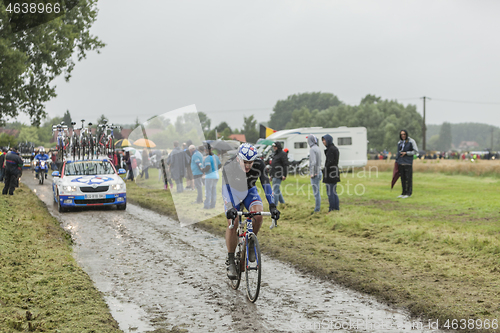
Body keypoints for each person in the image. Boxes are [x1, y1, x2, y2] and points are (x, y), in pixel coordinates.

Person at [222, 143, 280, 280]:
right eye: (245, 162)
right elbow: (225, 189)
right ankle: (231, 259)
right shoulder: (229, 166)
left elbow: (266, 184)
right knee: (233, 221)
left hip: (249, 192)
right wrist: (230, 207)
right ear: (238, 159)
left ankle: (251, 242)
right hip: (233, 194)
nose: (248, 166)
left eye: (251, 162)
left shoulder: (259, 165)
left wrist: (272, 205)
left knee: (258, 215)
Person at [396, 129, 418, 198]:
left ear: (406, 134)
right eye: (401, 134)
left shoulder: (411, 141)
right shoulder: (399, 142)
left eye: (404, 134)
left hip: (408, 162)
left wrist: (406, 153)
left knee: (408, 178)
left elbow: (415, 151)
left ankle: (408, 193)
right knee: (402, 178)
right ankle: (403, 192)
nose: (403, 136)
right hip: (401, 162)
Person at [322, 134, 340, 212]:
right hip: (334, 172)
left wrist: (324, 170)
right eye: (322, 140)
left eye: (324, 140)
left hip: (330, 173)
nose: (323, 142)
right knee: (334, 191)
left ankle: (332, 208)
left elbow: (329, 162)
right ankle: (336, 208)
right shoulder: (334, 149)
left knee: (330, 192)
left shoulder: (331, 150)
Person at [202, 142, 221, 209]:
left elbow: (207, 167)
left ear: (206, 149)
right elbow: (220, 165)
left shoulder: (207, 157)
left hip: (209, 177)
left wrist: (202, 170)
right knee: (213, 191)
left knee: (208, 191)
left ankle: (206, 206)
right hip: (216, 176)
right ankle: (213, 205)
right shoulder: (216, 156)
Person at [269, 142, 288, 207]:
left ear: (278, 147)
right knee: (277, 189)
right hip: (274, 174)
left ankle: (275, 205)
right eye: (273, 146)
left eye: (275, 146)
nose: (274, 148)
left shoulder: (283, 154)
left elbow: (285, 165)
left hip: (279, 175)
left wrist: (284, 174)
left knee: (275, 191)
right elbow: (273, 165)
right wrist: (271, 175)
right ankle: (282, 203)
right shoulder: (275, 154)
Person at [308, 134, 322, 213]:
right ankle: (317, 208)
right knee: (318, 192)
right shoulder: (318, 148)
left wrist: (312, 173)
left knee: (316, 193)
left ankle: (317, 209)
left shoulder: (312, 149)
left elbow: (313, 162)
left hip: (315, 174)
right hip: (319, 172)